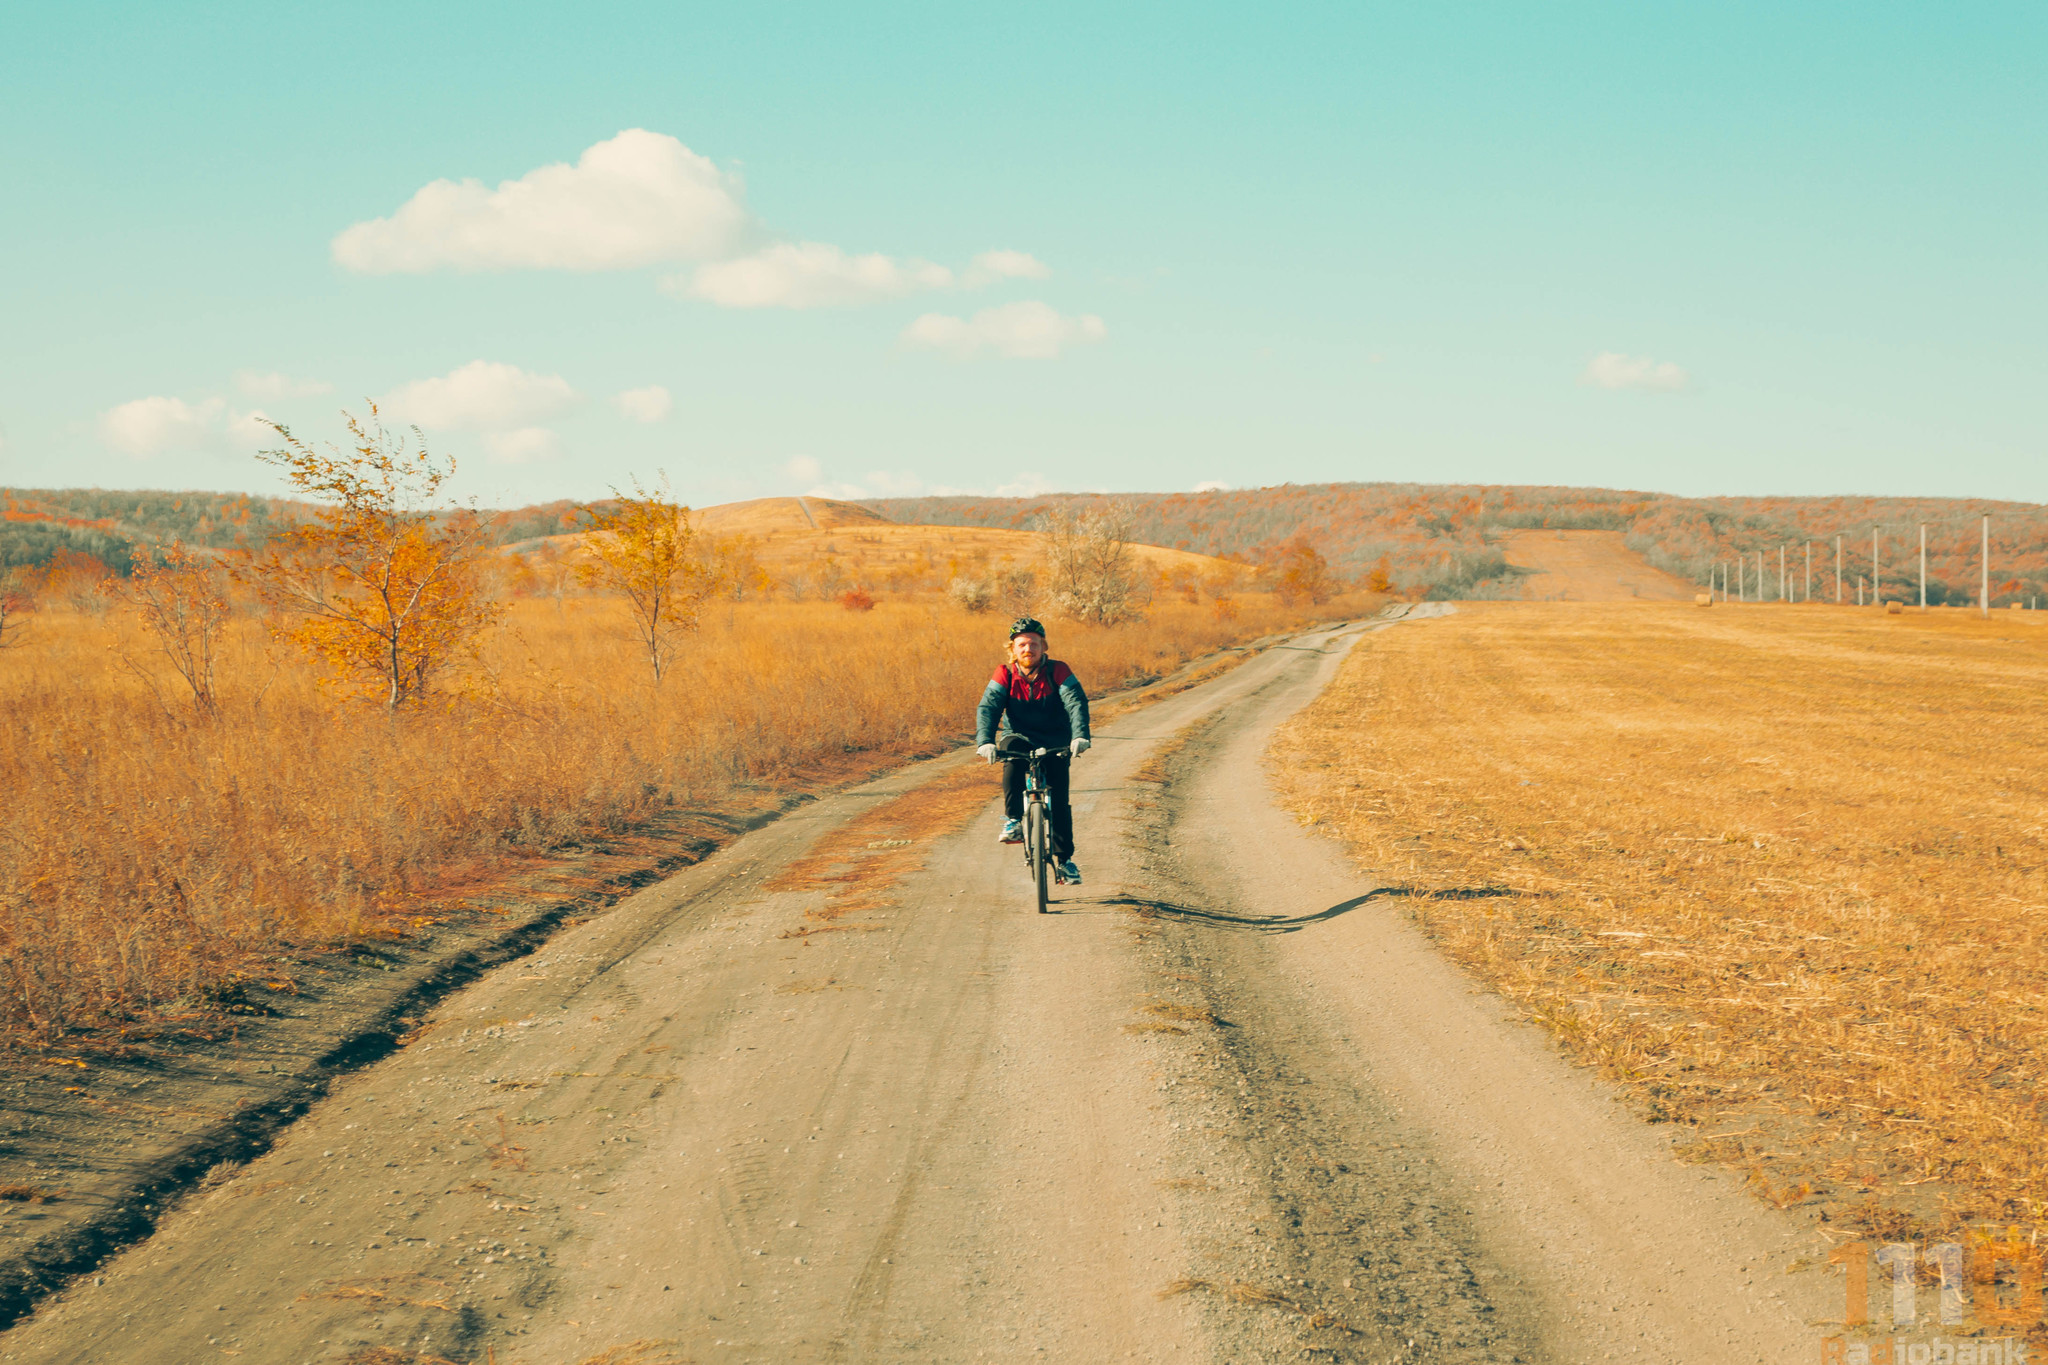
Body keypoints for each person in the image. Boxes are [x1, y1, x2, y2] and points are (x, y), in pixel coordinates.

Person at [975, 616, 1091, 884]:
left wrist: (1080, 736)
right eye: (1022, 644)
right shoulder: (1004, 674)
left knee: (1060, 799)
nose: (1029, 649)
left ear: (1044, 646)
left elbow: (1076, 703)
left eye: (1034, 644)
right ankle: (1014, 821)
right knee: (1013, 762)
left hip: (1056, 739)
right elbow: (988, 708)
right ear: (1013, 649)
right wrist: (985, 741)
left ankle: (1065, 862)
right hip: (1019, 736)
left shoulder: (1058, 670)